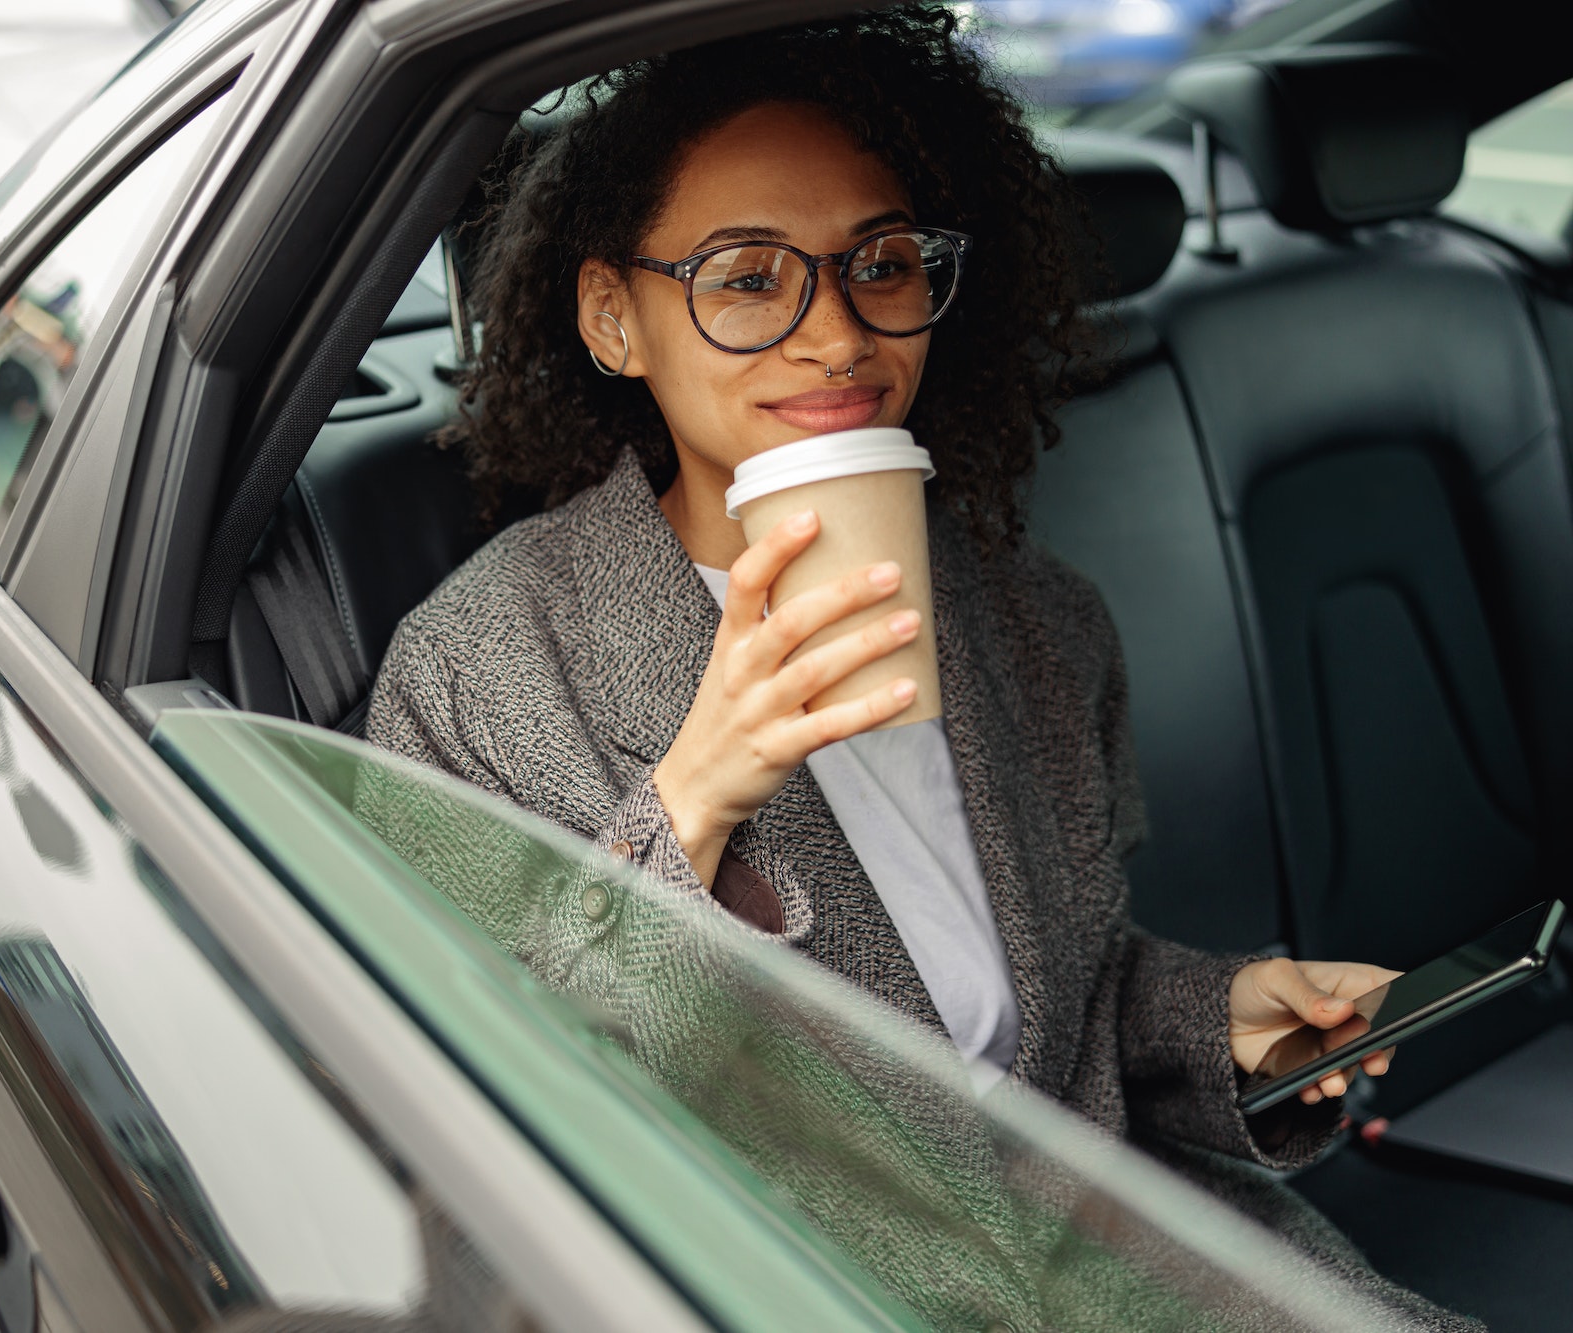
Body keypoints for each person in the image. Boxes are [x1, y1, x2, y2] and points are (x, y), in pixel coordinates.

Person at [365, 9, 1465, 1327]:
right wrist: (693, 806)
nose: (836, 336)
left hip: (1106, 1254)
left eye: (880, 264)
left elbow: (1052, 1015)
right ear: (615, 317)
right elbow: (493, 1114)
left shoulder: (1033, 619)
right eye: (748, 275)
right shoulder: (480, 670)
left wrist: (1226, 1018)